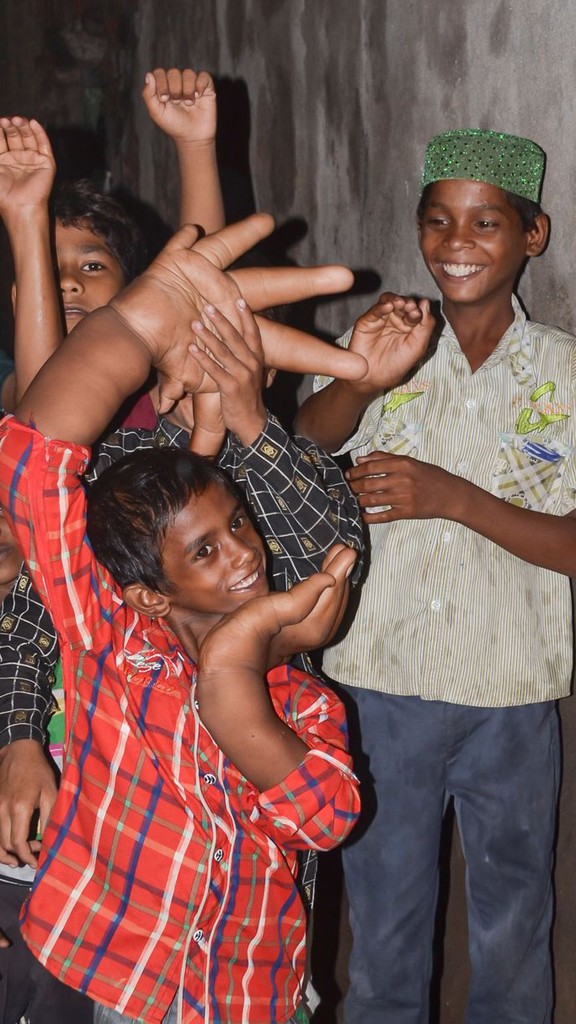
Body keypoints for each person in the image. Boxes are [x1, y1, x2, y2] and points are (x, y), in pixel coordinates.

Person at [0, 214, 361, 1024]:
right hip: (118, 975)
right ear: (148, 597)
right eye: (204, 551)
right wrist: (134, 324)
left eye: (237, 525)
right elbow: (30, 465)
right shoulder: (111, 643)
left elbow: (325, 817)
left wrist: (234, 663)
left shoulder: (298, 698)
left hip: (246, 993)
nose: (242, 554)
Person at [294, 128, 576, 1024]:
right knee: (384, 934)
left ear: (531, 235)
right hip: (382, 687)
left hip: (512, 695)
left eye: (486, 222)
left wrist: (453, 498)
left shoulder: (565, 373)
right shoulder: (386, 339)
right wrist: (362, 378)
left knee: (513, 927)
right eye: (438, 220)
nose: (457, 242)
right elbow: (305, 446)